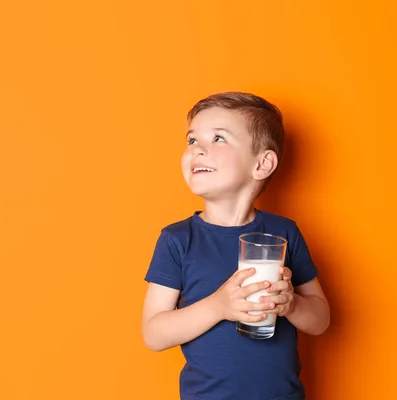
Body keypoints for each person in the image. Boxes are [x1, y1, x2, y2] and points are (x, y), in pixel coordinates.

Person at [141, 92, 330, 400]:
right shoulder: (178, 239)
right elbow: (154, 333)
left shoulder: (284, 232)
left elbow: (321, 320)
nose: (198, 150)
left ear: (262, 163)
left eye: (218, 139)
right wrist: (219, 306)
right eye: (192, 141)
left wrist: (292, 304)